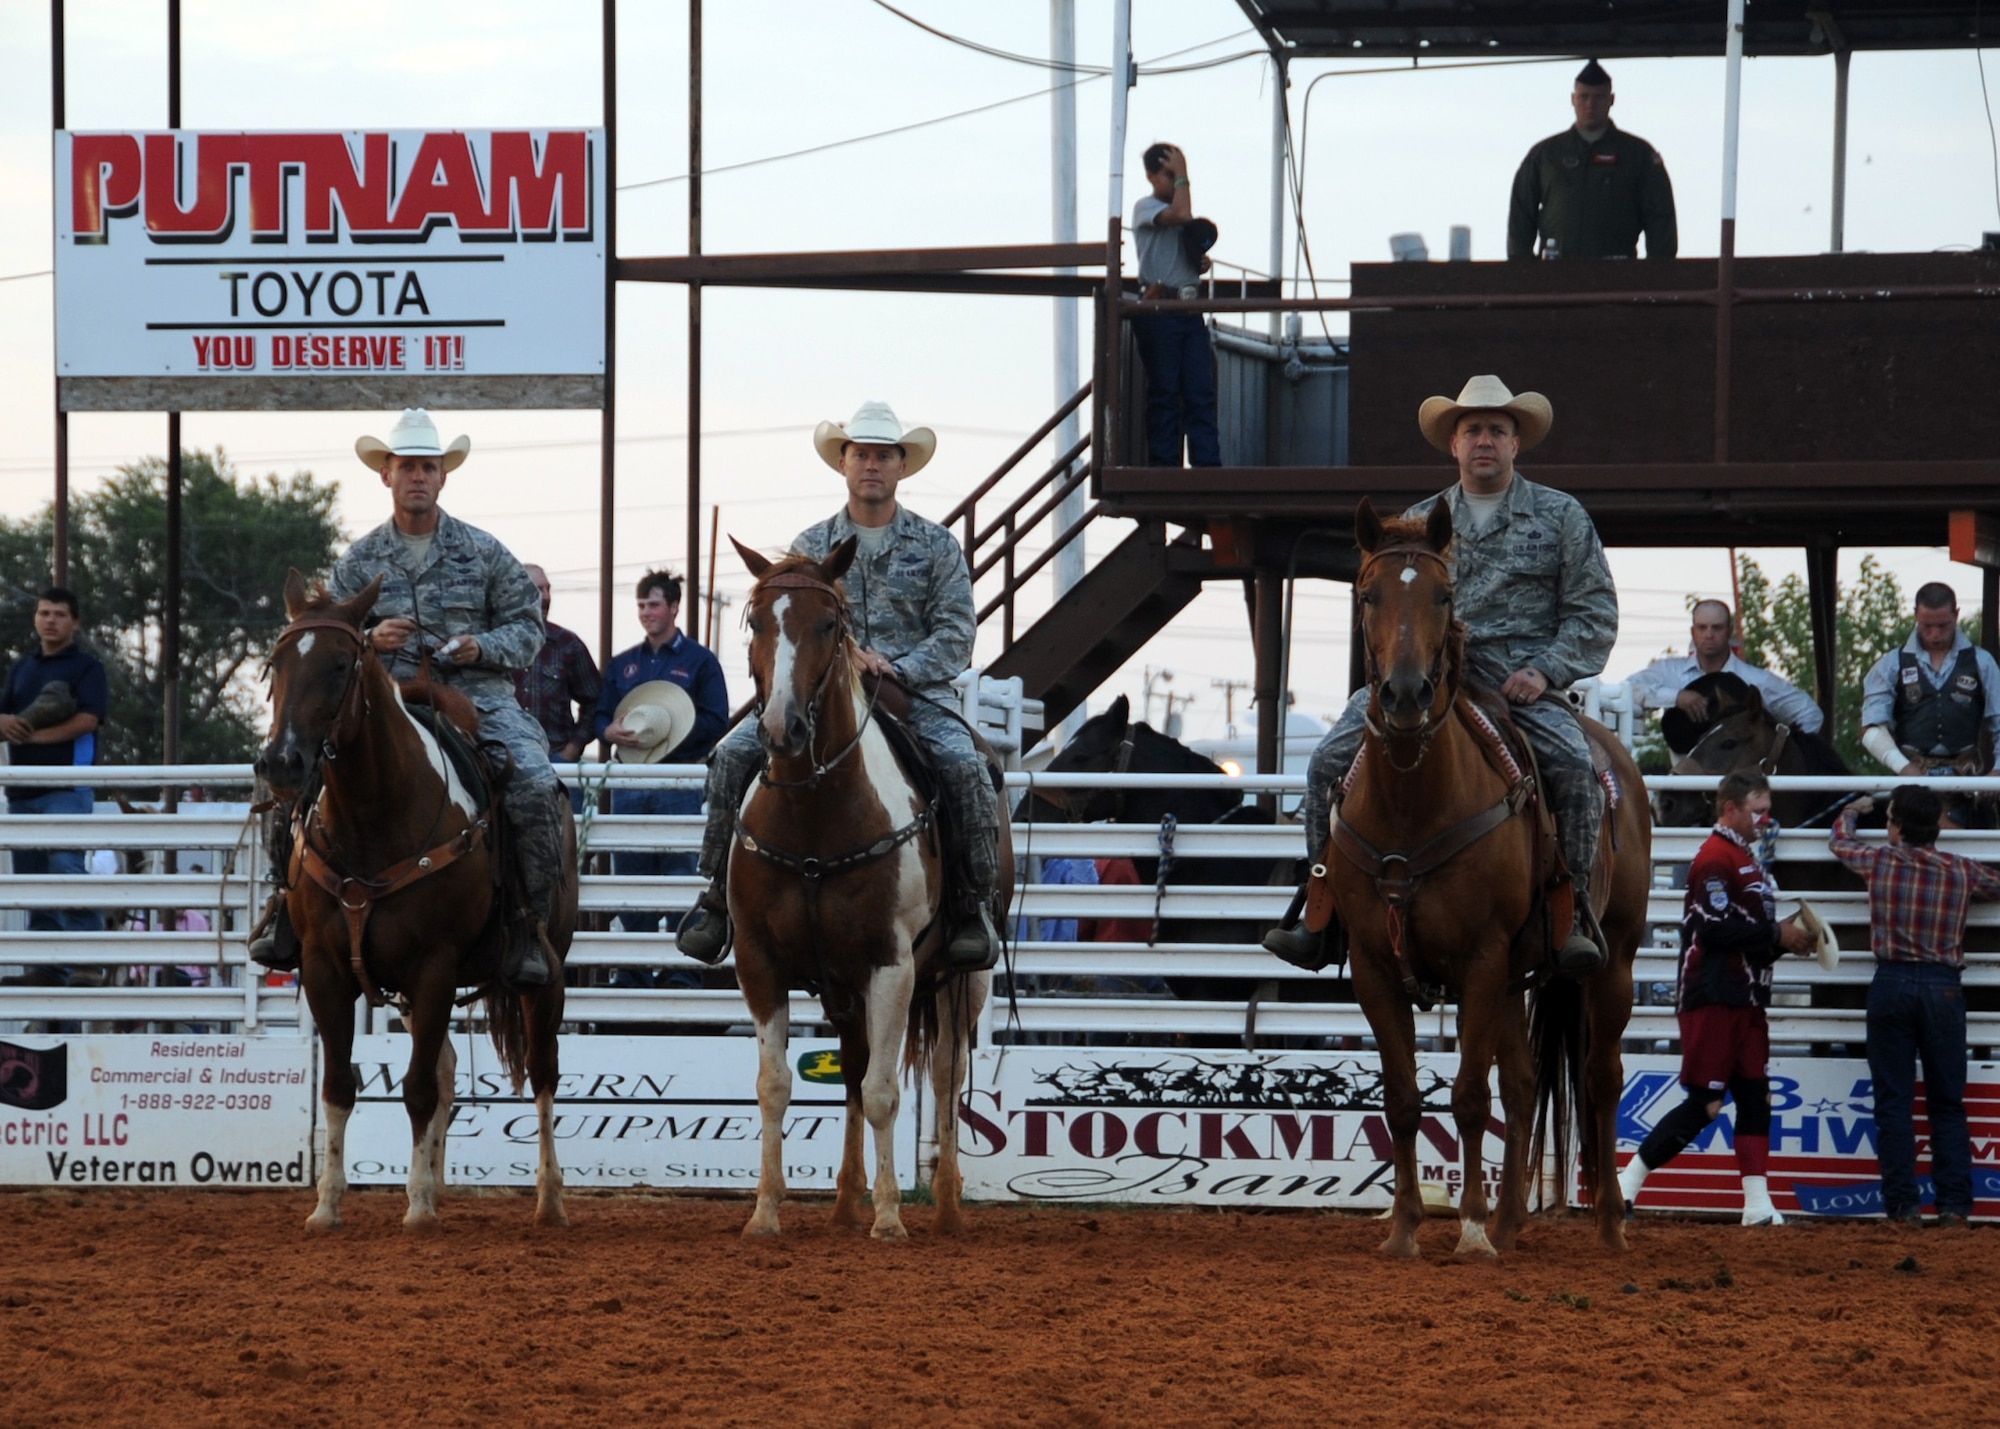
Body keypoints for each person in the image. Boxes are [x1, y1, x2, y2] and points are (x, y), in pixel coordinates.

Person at [1264, 375, 1617, 977]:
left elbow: (1594, 613)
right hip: (1422, 680)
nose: (1485, 440)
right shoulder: (1417, 523)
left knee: (1577, 770)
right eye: (1472, 430)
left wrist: (1545, 670)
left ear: (1515, 444)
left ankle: (1571, 911)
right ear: (1453, 445)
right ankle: (1321, 912)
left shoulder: (1561, 518)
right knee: (1326, 761)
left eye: (1497, 431)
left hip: (1520, 687)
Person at [675, 400, 1002, 970]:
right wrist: (849, 660)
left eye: (883, 455)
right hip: (820, 696)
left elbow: (956, 633)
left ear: (902, 467)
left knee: (966, 765)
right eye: (860, 455)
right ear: (843, 465)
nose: (871, 465)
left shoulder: (936, 545)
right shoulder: (812, 544)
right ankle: (715, 899)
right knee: (730, 757)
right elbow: (792, 629)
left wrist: (897, 666)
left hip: (915, 695)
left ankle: (970, 903)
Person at [250, 409, 562, 987]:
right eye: (406, 467)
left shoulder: (485, 552)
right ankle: (283, 908)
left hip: (477, 694)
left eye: (427, 467)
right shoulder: (358, 561)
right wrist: (370, 639)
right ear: (385, 476)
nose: (417, 477)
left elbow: (528, 627)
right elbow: (324, 637)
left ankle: (528, 924)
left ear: (443, 477)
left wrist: (480, 646)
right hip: (378, 699)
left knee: (536, 785)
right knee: (286, 771)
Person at [1616, 771, 1814, 1226]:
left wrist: (1786, 940)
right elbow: (1714, 927)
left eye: (1767, 810)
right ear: (1730, 809)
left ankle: (1757, 1207)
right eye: (1758, 810)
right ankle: (1626, 1185)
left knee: (1755, 1096)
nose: (1765, 820)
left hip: (1744, 995)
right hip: (1713, 994)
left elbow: (1741, 930)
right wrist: (1775, 933)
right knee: (1706, 1103)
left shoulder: (1744, 859)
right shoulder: (1714, 858)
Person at [1831, 785, 2000, 1228]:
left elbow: (1840, 842)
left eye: (1888, 818)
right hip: (1944, 988)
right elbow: (1997, 884)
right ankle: (1954, 1206)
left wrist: (1852, 810)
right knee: (1947, 1102)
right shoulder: (1959, 870)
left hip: (1892, 982)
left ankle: (1903, 1205)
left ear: (1898, 826)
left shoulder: (1880, 862)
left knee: (1894, 1102)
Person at [595, 571, 727, 938]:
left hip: (679, 779)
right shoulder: (622, 664)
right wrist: (608, 731)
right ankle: (635, 973)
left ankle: (680, 974)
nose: (646, 613)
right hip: (631, 780)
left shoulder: (701, 662)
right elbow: (601, 715)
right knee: (631, 875)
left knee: (681, 875)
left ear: (673, 607)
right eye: (641, 605)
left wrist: (671, 734)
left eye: (653, 605)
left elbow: (717, 719)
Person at [2, 587, 109, 944]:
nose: (50, 620)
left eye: (59, 614)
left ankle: (88, 958)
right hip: (21, 789)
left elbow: (88, 720)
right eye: (44, 613)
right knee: (33, 881)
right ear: (35, 618)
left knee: (65, 868)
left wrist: (31, 737)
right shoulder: (22, 668)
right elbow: (5, 717)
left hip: (67, 786)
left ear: (74, 623)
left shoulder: (87, 668)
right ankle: (47, 966)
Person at [1507, 59, 1677, 262]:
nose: (1590, 104)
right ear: (1573, 99)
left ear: (1612, 99)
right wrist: (1521, 269)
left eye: (1599, 97)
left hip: (1619, 276)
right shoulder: (1545, 154)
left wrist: (1659, 272)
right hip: (1555, 273)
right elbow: (1521, 214)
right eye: (1584, 97)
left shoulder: (1638, 154)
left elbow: (1660, 216)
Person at [1130, 141, 1222, 469]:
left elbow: (1185, 235)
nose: (1177, 182)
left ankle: (1207, 469)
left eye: (1178, 176)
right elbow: (1182, 213)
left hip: (1187, 309)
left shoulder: (1177, 214)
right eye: (1169, 175)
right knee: (1166, 394)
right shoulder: (1145, 207)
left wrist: (1197, 262)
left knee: (1199, 392)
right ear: (1151, 176)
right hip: (1160, 311)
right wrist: (1185, 175)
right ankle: (1165, 469)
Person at [1859, 582, 2000, 777]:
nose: (1935, 634)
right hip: (1910, 779)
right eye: (1927, 626)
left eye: (1943, 626)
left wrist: (1998, 770)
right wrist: (1903, 768)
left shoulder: (1982, 662)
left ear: (1956, 615)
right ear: (1916, 614)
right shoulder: (1891, 664)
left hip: (1967, 778)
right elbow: (1871, 728)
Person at [1624, 599, 1823, 734]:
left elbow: (1810, 715)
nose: (1709, 634)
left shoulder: (1756, 680)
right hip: (1683, 784)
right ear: (1693, 632)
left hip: (1742, 786)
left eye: (1717, 628)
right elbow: (1626, 690)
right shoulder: (1669, 671)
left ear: (1729, 631)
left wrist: (1778, 751)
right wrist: (1676, 697)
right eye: (1702, 628)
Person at [514, 564, 602, 796]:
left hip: (558, 763)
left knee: (567, 830)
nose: (546, 597)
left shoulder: (567, 644)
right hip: (507, 763)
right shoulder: (494, 643)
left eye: (548, 589)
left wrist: (573, 749)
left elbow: (596, 700)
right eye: (538, 589)